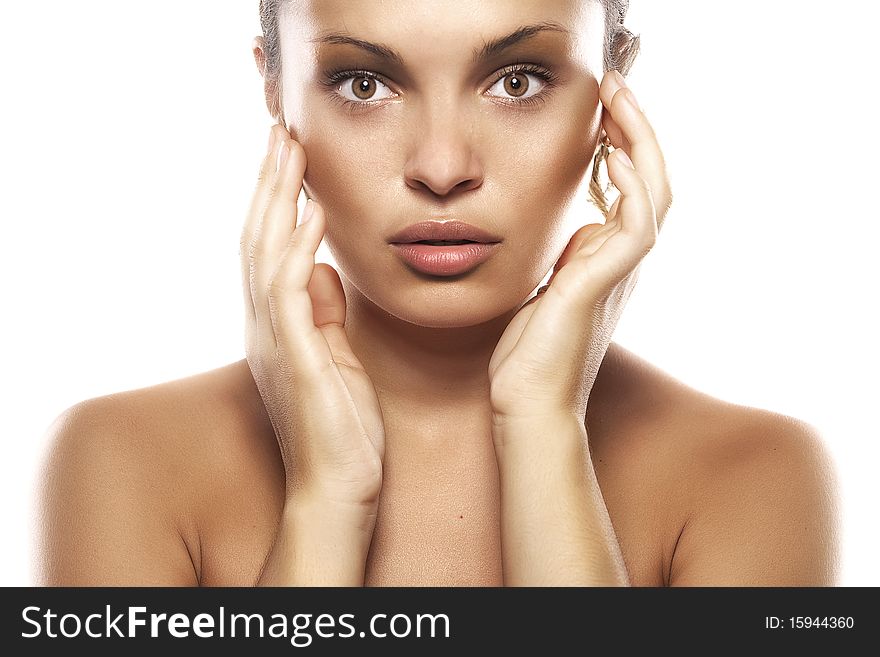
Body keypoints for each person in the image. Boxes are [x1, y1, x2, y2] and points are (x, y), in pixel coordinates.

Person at [35, 0, 840, 586]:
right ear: (276, 88)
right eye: (362, 84)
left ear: (611, 94)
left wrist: (542, 428)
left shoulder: (757, 476)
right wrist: (325, 503)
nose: (444, 165)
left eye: (518, 80)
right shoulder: (123, 462)